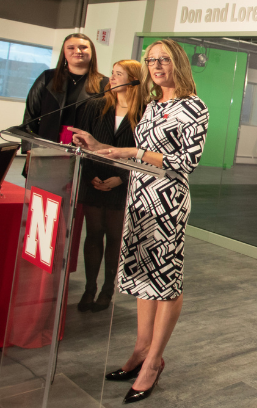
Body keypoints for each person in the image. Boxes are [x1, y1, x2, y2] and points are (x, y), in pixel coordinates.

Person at [69, 39, 208, 404]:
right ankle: (141, 350)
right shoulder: (153, 105)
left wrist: (129, 150)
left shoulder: (194, 107)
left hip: (167, 203)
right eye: (151, 61)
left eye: (164, 59)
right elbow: (139, 160)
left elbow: (184, 163)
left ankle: (153, 363)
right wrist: (98, 147)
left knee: (165, 279)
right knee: (145, 278)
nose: (157, 66)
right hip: (139, 198)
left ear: (177, 62)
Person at [75, 60, 144, 313]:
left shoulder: (145, 111)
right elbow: (82, 143)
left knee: (115, 237)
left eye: (118, 75)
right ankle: (89, 288)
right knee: (93, 235)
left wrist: (122, 178)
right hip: (93, 180)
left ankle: (107, 290)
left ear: (134, 79)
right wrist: (91, 175)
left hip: (123, 183)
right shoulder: (94, 106)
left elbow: (143, 153)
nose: (111, 79)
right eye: (112, 74)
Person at [21, 33, 107, 168]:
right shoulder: (47, 77)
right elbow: (30, 117)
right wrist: (31, 148)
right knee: (43, 188)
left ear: (92, 52)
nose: (77, 51)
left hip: (84, 151)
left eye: (83, 47)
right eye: (71, 48)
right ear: (64, 53)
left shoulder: (105, 84)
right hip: (45, 145)